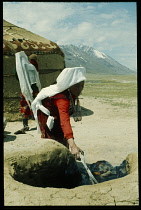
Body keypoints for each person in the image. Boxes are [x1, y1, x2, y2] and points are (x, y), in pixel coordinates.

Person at [31, 67, 86, 159]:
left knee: (62, 137)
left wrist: (72, 144)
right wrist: (73, 145)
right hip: (47, 117)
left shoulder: (70, 93)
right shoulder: (61, 98)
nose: (80, 89)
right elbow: (65, 121)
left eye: (82, 85)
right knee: (53, 142)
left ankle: (65, 157)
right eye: (77, 86)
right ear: (70, 84)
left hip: (56, 116)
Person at [14, 51, 41, 134]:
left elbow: (17, 75)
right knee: (37, 105)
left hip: (25, 89)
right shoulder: (33, 66)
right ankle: (39, 123)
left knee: (25, 106)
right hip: (34, 89)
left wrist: (23, 82)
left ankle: (25, 124)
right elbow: (35, 78)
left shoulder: (21, 66)